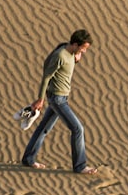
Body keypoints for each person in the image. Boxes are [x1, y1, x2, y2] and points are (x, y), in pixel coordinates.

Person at [21, 29, 98, 174]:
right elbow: (46, 75)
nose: (84, 52)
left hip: (62, 97)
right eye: (83, 48)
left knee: (44, 128)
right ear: (75, 44)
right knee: (77, 129)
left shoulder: (69, 52)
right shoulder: (60, 55)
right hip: (57, 99)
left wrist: (77, 58)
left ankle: (28, 159)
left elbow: (67, 67)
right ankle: (80, 166)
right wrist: (40, 99)